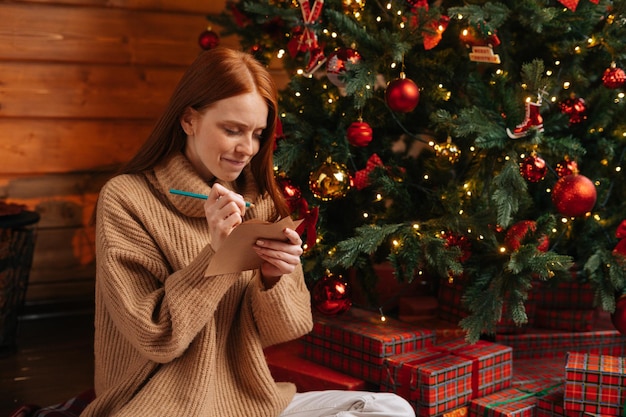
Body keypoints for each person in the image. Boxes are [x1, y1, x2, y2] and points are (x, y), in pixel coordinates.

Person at [81, 46, 415, 417]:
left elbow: (288, 328)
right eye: (232, 130)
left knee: (390, 408)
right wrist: (218, 256)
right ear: (189, 120)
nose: (247, 149)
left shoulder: (260, 200)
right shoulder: (126, 199)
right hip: (158, 406)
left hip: (247, 403)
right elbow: (155, 336)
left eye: (257, 134)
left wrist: (273, 278)